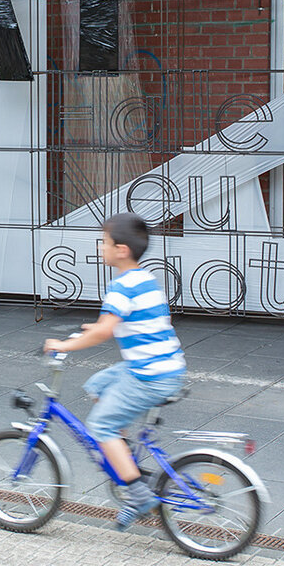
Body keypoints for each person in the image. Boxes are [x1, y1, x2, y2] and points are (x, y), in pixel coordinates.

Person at [43, 212, 186, 529]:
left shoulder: (121, 286)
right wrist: (100, 326)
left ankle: (137, 493)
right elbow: (132, 322)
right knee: (98, 385)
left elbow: (105, 332)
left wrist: (64, 345)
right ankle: (126, 465)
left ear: (121, 250)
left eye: (104, 242)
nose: (100, 247)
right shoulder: (145, 279)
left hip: (150, 375)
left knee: (100, 425)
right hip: (164, 366)